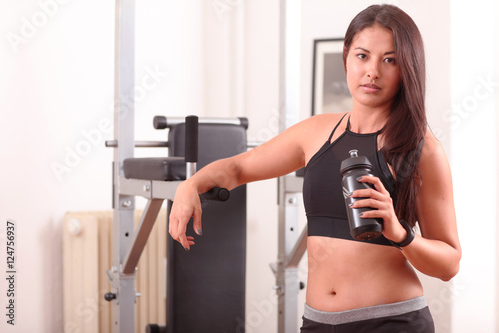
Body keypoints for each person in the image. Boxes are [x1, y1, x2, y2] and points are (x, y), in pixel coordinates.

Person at [169, 4, 461, 332]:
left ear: (407, 67)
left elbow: (449, 262)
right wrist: (189, 185)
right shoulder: (316, 131)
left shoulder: (422, 149)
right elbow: (239, 168)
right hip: (318, 322)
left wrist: (399, 233)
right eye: (362, 56)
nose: (372, 72)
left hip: (391, 322)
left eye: (389, 60)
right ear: (346, 57)